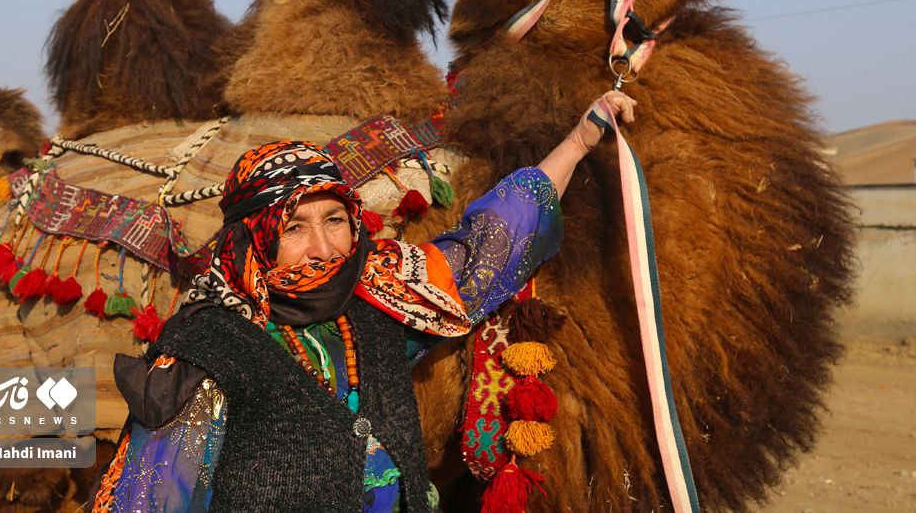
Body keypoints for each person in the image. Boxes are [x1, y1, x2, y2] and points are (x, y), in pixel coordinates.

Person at [92, 91, 637, 512]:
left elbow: (487, 249)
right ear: (255, 239)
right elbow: (151, 497)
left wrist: (579, 142)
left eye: (335, 221)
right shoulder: (205, 353)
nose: (324, 247)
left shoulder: (377, 297)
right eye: (295, 228)